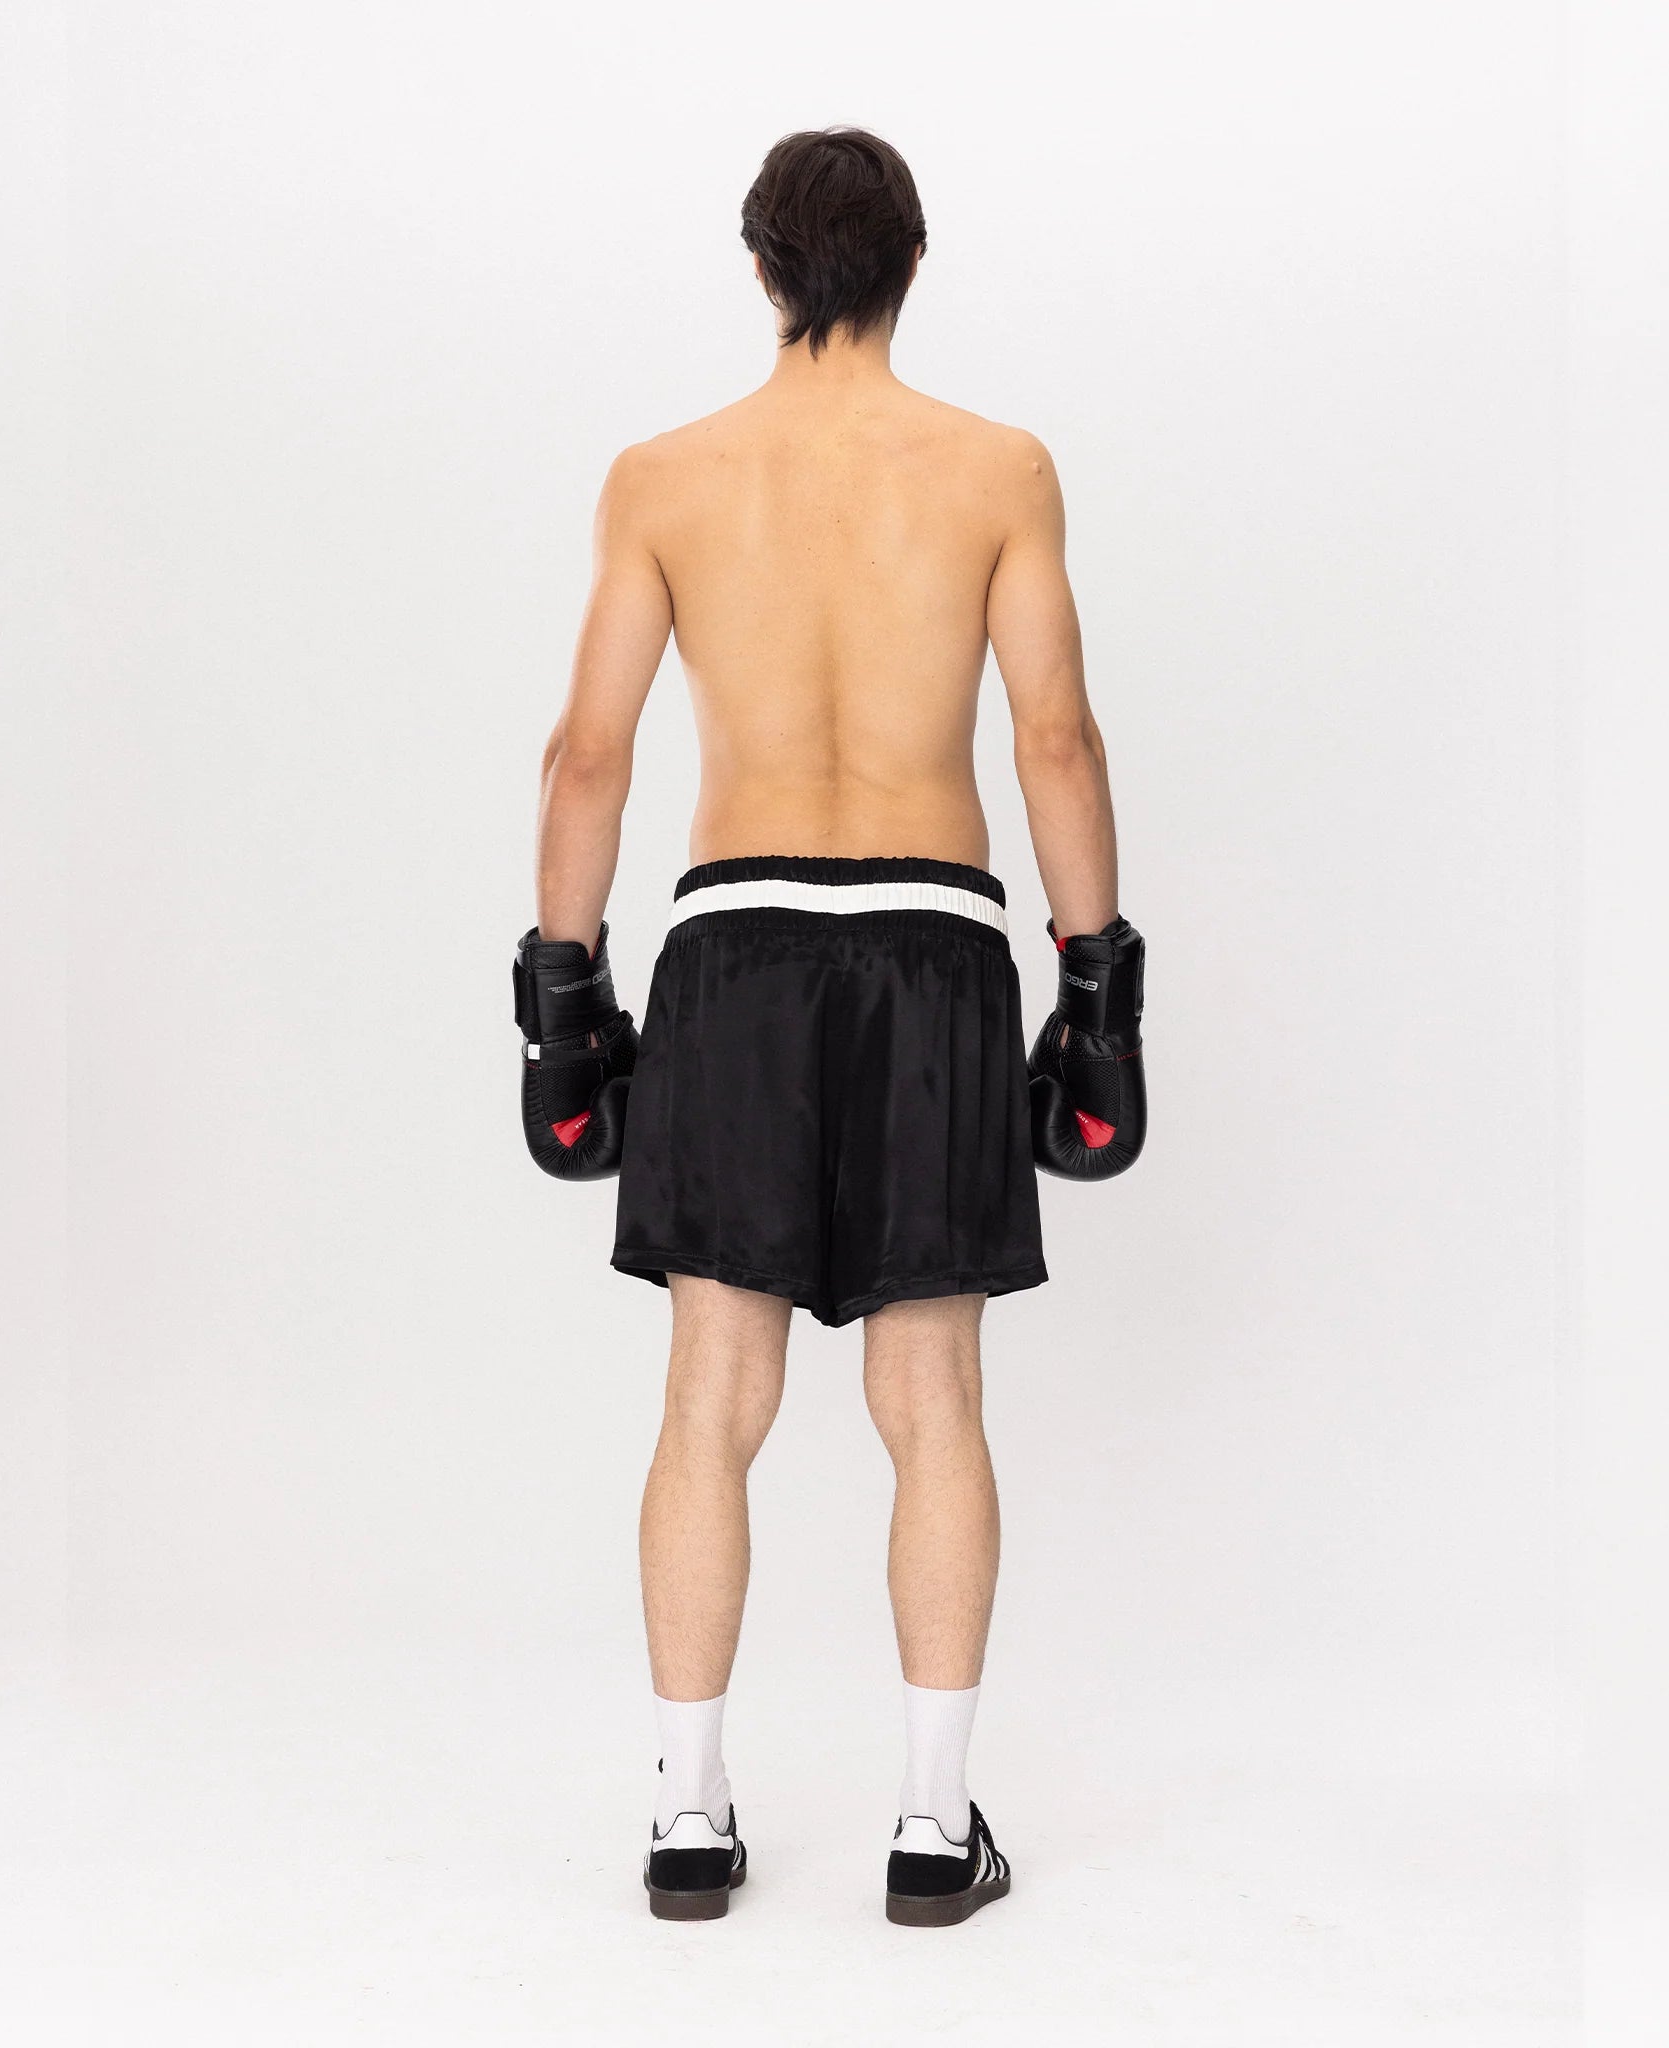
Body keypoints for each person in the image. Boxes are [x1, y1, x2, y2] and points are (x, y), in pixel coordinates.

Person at [513, 127, 1147, 1926]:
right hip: (933, 948)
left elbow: (588, 755)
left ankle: (687, 1819)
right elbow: (1053, 739)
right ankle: (934, 1834)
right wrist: (1097, 982)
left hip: (737, 951)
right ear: (911, 262)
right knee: (930, 1399)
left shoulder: (665, 477)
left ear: (762, 267)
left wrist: (564, 996)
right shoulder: (999, 468)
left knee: (712, 1399)